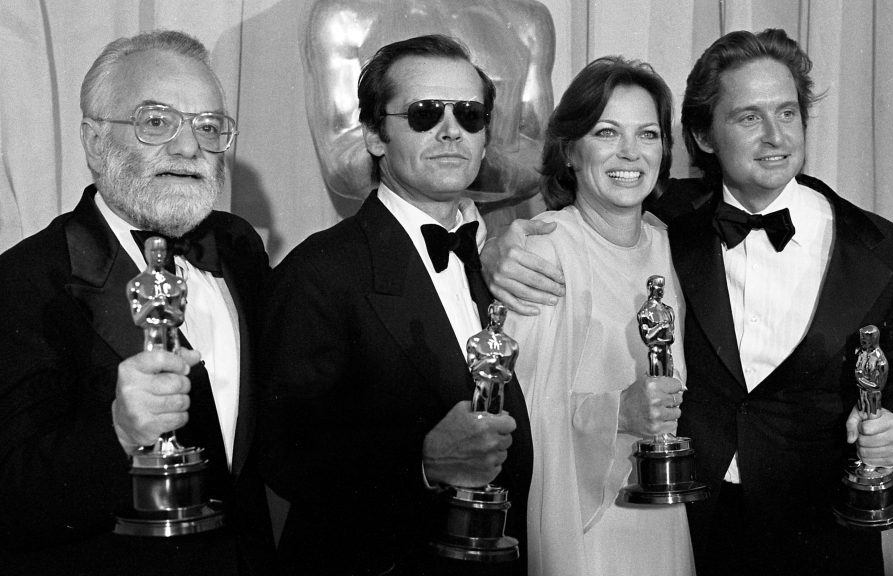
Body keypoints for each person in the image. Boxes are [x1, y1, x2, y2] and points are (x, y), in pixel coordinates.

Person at [483, 28, 893, 576]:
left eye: (787, 113)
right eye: (748, 117)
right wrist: (494, 245)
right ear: (703, 135)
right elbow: (585, 215)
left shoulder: (887, 249)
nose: (774, 136)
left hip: (823, 531)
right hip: (687, 524)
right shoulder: (666, 219)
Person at [0, 31, 275, 575]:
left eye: (208, 126)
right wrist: (118, 434)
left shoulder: (239, 246)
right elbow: (10, 496)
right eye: (157, 121)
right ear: (95, 140)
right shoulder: (25, 282)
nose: (189, 147)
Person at [258, 34, 532, 575]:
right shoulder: (321, 270)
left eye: (470, 115)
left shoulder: (500, 257)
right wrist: (424, 463)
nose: (451, 130)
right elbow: (282, 451)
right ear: (375, 136)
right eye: (425, 114)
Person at [499, 56, 694, 576]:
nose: (630, 152)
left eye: (648, 134)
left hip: (664, 520)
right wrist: (620, 414)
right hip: (583, 531)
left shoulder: (668, 244)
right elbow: (521, 416)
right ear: (570, 151)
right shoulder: (546, 249)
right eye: (607, 132)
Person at [301, 0, 555, 230]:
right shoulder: (343, 13)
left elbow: (537, 157)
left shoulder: (527, 18)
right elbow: (342, 164)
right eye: (422, 112)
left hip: (497, 240)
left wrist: (446, 154)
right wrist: (458, 157)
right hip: (386, 240)